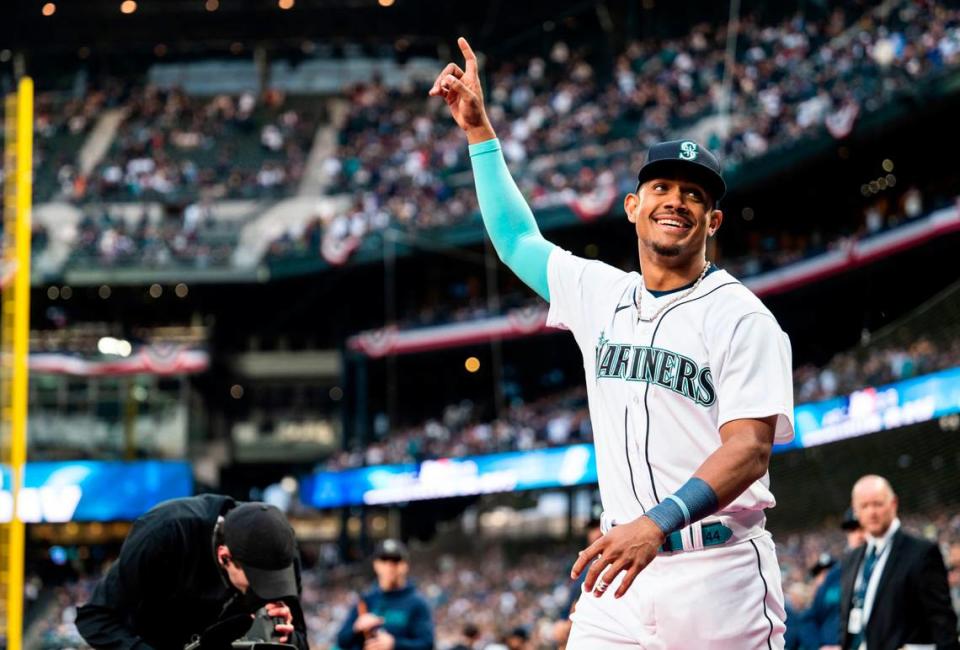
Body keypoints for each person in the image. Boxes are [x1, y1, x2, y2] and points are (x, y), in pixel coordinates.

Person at [431, 37, 794, 649]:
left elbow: (750, 449)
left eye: (694, 195)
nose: (675, 200)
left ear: (713, 221)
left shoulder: (742, 317)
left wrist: (657, 523)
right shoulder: (600, 292)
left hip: (719, 574)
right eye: (661, 188)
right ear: (632, 207)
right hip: (618, 571)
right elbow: (518, 240)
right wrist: (480, 135)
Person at [76, 494, 309, 649]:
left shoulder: (279, 546)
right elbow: (95, 618)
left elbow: (299, 637)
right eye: (258, 580)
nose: (268, 591)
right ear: (224, 556)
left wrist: (288, 637)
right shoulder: (164, 534)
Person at [839, 475, 959, 650]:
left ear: (893, 503)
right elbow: (846, 621)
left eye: (878, 504)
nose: (871, 512)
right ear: (855, 509)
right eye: (864, 506)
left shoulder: (921, 552)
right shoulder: (852, 559)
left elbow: (942, 623)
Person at [335, 538, 434, 650]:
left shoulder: (417, 603)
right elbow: (342, 641)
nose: (389, 566)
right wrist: (356, 628)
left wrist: (395, 645)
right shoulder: (367, 599)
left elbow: (427, 645)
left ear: (405, 565)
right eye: (384, 560)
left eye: (395, 561)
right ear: (376, 565)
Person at [809, 509, 864, 650]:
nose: (858, 534)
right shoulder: (834, 575)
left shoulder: (881, 570)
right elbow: (809, 618)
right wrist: (819, 647)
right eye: (852, 529)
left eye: (862, 528)